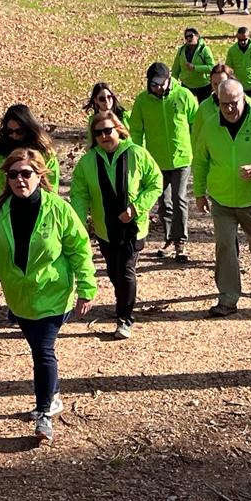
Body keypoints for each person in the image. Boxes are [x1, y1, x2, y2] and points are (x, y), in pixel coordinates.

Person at [0, 148, 97, 443]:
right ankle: (52, 392)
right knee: (39, 348)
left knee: (42, 351)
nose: (19, 180)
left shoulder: (58, 209)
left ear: (40, 176)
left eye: (26, 173)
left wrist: (86, 288)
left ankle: (43, 414)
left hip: (54, 293)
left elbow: (80, 249)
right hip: (20, 297)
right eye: (13, 174)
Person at [192, 79, 251, 317]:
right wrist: (199, 192)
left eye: (234, 103)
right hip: (222, 199)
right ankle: (228, 298)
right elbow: (201, 161)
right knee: (225, 248)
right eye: (224, 104)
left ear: (243, 98)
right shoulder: (211, 126)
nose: (230, 109)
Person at [70, 112, 162, 339]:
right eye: (98, 132)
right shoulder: (88, 162)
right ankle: (123, 300)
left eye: (107, 130)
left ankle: (124, 318)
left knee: (126, 270)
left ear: (118, 129)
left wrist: (136, 208)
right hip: (104, 229)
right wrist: (79, 223)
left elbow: (155, 183)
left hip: (133, 228)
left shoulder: (137, 154)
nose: (103, 136)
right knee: (114, 271)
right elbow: (80, 195)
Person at [129, 63, 198, 262]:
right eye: (154, 84)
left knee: (179, 199)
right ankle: (169, 238)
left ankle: (180, 241)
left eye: (161, 83)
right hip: (156, 160)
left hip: (182, 157)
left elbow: (196, 123)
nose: (158, 88)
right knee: (164, 202)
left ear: (169, 79)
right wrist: (139, 155)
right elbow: (136, 130)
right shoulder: (142, 101)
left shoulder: (183, 95)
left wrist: (196, 148)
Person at [0, 104, 60, 198]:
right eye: (10, 131)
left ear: (29, 129)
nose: (14, 136)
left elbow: (51, 188)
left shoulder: (46, 155)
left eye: (19, 131)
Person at [171, 27, 216, 103]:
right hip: (186, 85)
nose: (188, 39)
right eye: (186, 37)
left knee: (203, 109)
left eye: (191, 36)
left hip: (203, 85)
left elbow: (212, 68)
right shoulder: (181, 50)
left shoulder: (204, 49)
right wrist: (173, 84)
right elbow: (176, 68)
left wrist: (195, 68)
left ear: (197, 36)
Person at [224, 26, 251, 102]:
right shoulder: (232, 50)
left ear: (249, 37)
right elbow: (228, 68)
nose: (242, 42)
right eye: (240, 40)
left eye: (245, 39)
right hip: (238, 86)